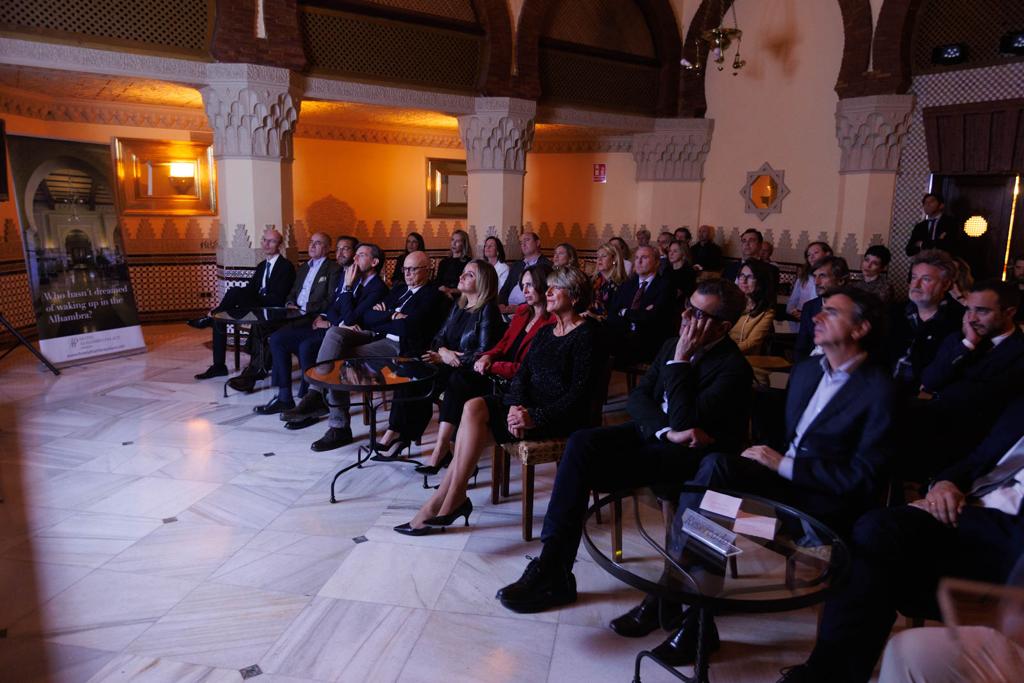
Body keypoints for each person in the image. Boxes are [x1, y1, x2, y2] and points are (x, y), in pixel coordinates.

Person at [650, 285, 894, 667]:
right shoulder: (810, 369)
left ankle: (681, 605)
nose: (816, 316)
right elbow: (785, 437)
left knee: (707, 505)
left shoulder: (879, 390)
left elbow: (864, 480)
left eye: (831, 312)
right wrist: (765, 457)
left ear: (860, 329)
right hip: (781, 486)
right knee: (712, 473)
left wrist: (781, 463)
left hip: (822, 507)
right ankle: (692, 609)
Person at [497, 279, 753, 613]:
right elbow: (638, 397)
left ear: (722, 326)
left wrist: (679, 363)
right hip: (658, 437)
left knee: (583, 468)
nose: (686, 316)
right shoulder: (673, 343)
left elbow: (685, 422)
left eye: (697, 313)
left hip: (692, 459)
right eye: (686, 306)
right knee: (581, 442)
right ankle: (553, 566)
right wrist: (664, 429)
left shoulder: (733, 369)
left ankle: (557, 571)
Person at [778, 395, 1024, 683]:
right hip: (974, 510)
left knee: (877, 546)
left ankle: (826, 675)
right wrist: (945, 484)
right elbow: (978, 459)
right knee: (871, 540)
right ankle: (829, 673)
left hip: (1010, 544)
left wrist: (951, 512)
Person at [394, 267, 601, 536]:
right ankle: (452, 498)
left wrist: (534, 416)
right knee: (473, 407)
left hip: (558, 417)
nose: (547, 292)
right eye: (547, 287)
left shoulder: (587, 335)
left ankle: (439, 504)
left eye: (555, 288)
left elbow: (579, 396)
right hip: (526, 408)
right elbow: (523, 377)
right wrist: (515, 405)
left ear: (574, 297)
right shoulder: (547, 333)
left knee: (471, 424)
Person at [415, 263, 556, 475]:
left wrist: (487, 361)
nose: (525, 291)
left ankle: (445, 453)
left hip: (507, 381)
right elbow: (502, 344)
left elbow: (527, 368)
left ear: (545, 288)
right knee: (420, 372)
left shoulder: (550, 323)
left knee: (458, 382)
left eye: (530, 286)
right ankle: (402, 435)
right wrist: (487, 356)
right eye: (523, 285)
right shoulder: (522, 312)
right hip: (488, 368)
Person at [306, 250, 447, 452]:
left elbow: (409, 328)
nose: (407, 274)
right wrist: (393, 316)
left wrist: (384, 318)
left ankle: (323, 404)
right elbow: (366, 318)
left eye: (413, 269)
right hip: (383, 342)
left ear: (428, 270)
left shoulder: (432, 295)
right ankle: (335, 422)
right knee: (338, 358)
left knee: (340, 358)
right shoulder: (399, 290)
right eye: (405, 269)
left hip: (405, 349)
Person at [373, 260, 504, 457]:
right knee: (409, 371)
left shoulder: (488, 309)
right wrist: (443, 351)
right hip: (446, 363)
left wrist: (450, 356)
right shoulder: (459, 306)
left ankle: (437, 448)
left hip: (471, 371)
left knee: (448, 382)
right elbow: (438, 337)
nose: (461, 277)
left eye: (469, 274)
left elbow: (483, 352)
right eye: (463, 272)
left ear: (483, 281)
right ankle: (397, 432)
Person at [263, 242, 388, 420]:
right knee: (277, 338)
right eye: (356, 254)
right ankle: (288, 397)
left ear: (374, 262)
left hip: (362, 335)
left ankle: (313, 397)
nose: (354, 258)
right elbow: (332, 308)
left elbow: (353, 318)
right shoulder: (353, 280)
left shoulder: (377, 287)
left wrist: (347, 289)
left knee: (309, 345)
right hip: (338, 329)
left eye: (361, 255)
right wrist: (337, 323)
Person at [913, 279, 1024, 474]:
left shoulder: (1020, 350)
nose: (971, 318)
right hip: (935, 428)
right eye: (967, 309)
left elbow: (987, 397)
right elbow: (929, 381)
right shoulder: (958, 340)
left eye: (982, 311)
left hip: (981, 443)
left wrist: (949, 386)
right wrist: (969, 344)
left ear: (1009, 313)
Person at [230, 232, 340, 394]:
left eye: (318, 243)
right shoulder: (304, 267)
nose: (312, 245)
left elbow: (330, 298)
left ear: (327, 248)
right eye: (311, 242)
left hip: (311, 316)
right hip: (293, 313)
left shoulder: (333, 269)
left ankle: (254, 374)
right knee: (262, 326)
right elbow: (292, 292)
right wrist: (289, 303)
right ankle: (255, 372)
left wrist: (306, 307)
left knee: (270, 331)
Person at [191, 228, 296, 380]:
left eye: (271, 241)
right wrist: (243, 298)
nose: (266, 244)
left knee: (233, 293)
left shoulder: (286, 266)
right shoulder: (261, 266)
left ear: (279, 245)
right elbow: (249, 289)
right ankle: (219, 366)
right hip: (257, 306)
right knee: (219, 318)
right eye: (264, 240)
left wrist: (248, 297)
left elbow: (278, 297)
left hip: (272, 309)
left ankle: (210, 317)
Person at [889, 249, 963, 393]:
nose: (915, 285)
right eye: (914, 277)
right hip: (885, 391)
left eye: (926, 279)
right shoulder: (893, 312)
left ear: (946, 285)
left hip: (927, 399)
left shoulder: (959, 321)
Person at [608, 245, 674, 365]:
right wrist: (639, 313)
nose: (638, 261)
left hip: (649, 341)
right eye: (637, 257)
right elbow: (613, 312)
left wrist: (625, 312)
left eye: (644, 257)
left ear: (657, 262)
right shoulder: (627, 285)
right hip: (622, 338)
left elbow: (654, 318)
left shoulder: (666, 286)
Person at [795, 256, 850, 359]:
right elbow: (801, 347)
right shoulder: (809, 307)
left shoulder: (852, 308)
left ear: (840, 281)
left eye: (823, 276)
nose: (816, 282)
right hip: (811, 366)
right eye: (815, 276)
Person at [730, 259, 776, 355]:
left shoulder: (767, 312)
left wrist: (725, 354)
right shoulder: (729, 302)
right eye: (742, 275)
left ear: (760, 281)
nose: (744, 280)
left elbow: (752, 343)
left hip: (746, 359)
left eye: (750, 277)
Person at [499, 231, 550, 315]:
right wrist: (501, 304)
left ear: (537, 243)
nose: (523, 244)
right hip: (507, 310)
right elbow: (505, 288)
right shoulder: (517, 265)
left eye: (527, 240)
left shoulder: (546, 265)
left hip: (529, 311)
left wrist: (519, 308)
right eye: (521, 242)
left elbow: (543, 294)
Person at [787, 242, 832, 320]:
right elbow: (792, 302)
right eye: (808, 255)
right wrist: (793, 311)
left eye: (816, 252)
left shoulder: (832, 279)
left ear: (827, 254)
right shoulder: (803, 278)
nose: (811, 257)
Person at [905, 192, 958, 257]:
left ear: (941, 205)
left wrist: (921, 244)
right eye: (925, 203)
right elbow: (909, 251)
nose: (927, 204)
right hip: (923, 262)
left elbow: (950, 246)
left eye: (931, 202)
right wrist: (937, 242)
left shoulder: (950, 223)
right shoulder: (920, 226)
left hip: (944, 262)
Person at [586, 241, 628, 321]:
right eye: (597, 256)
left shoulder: (622, 283)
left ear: (614, 259)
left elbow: (618, 314)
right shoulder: (591, 280)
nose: (599, 259)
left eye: (604, 256)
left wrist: (595, 317)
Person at [435, 229, 471, 299]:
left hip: (459, 296)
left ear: (464, 244)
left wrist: (451, 290)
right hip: (442, 295)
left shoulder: (469, 263)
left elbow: (469, 287)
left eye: (457, 241)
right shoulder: (444, 262)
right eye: (452, 240)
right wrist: (443, 289)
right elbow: (437, 282)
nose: (454, 243)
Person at [664, 239, 696, 306]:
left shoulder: (688, 271)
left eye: (675, 251)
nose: (671, 254)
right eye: (670, 251)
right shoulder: (667, 270)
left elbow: (678, 294)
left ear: (683, 254)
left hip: (679, 305)